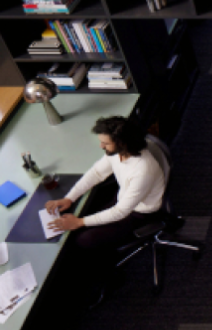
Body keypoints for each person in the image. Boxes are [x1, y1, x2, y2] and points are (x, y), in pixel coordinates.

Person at [45, 116, 166, 283]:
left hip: (140, 213)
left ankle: (107, 278)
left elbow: (121, 212)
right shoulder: (118, 153)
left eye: (106, 143)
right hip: (124, 200)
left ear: (123, 143)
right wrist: (70, 198)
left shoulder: (143, 170)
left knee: (84, 240)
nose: (101, 146)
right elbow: (96, 173)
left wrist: (79, 222)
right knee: (79, 223)